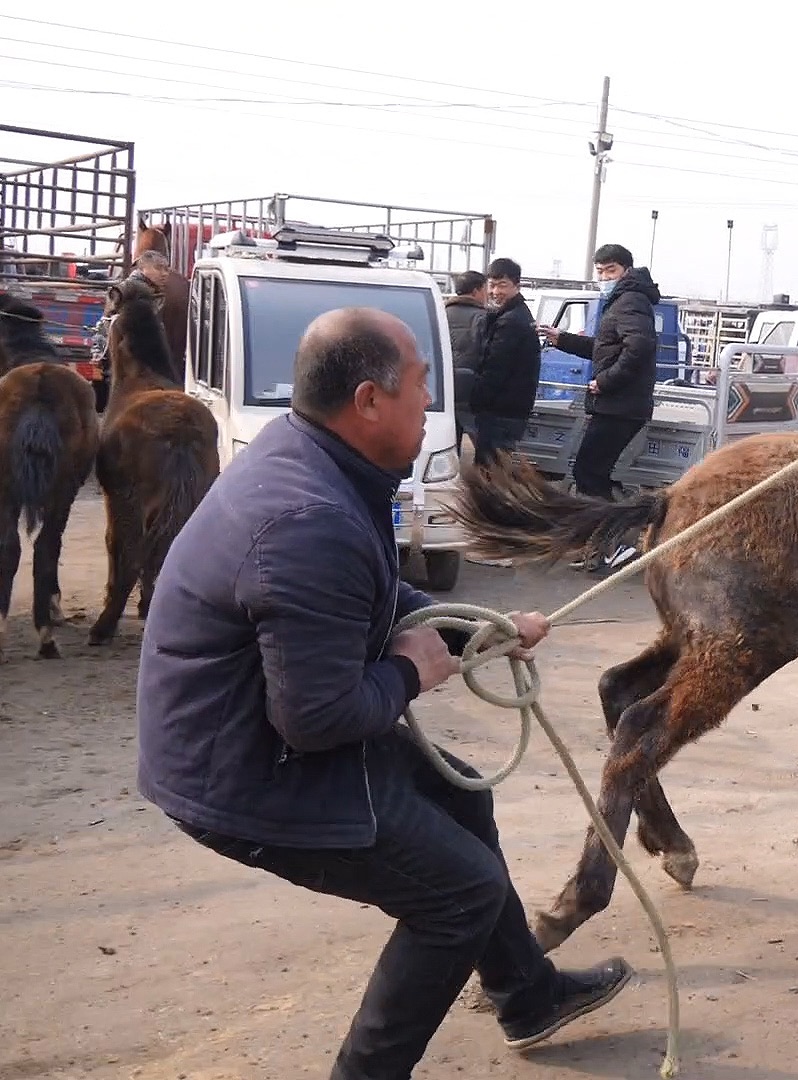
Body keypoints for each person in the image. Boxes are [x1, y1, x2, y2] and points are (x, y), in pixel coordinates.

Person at [133, 307, 632, 1080]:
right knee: (458, 895)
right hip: (247, 769)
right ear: (368, 401)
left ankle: (526, 993)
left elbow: (373, 596)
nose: (430, 403)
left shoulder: (312, 460)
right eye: (421, 385)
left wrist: (482, 629)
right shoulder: (309, 517)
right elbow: (319, 718)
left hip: (258, 736)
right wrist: (411, 671)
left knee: (459, 799)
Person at [538, 244, 661, 569]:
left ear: (625, 270)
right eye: (600, 272)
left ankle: (616, 543)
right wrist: (562, 339)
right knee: (594, 475)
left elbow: (639, 347)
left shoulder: (631, 300)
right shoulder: (624, 300)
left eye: (610, 271)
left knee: (588, 473)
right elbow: (605, 348)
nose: (604, 277)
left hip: (620, 405)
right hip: (617, 405)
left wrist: (605, 381)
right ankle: (600, 546)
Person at [469, 257, 542, 465]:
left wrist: (476, 399)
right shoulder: (514, 315)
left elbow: (495, 368)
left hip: (502, 411)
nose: (495, 292)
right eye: (492, 285)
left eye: (503, 285)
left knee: (490, 472)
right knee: (498, 469)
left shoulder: (511, 321)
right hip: (510, 409)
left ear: (516, 286)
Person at [443, 269, 488, 453]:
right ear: (477, 291)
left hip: (445, 389)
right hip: (471, 390)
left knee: (448, 444)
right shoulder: (483, 317)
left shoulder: (441, 312)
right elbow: (486, 352)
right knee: (484, 448)